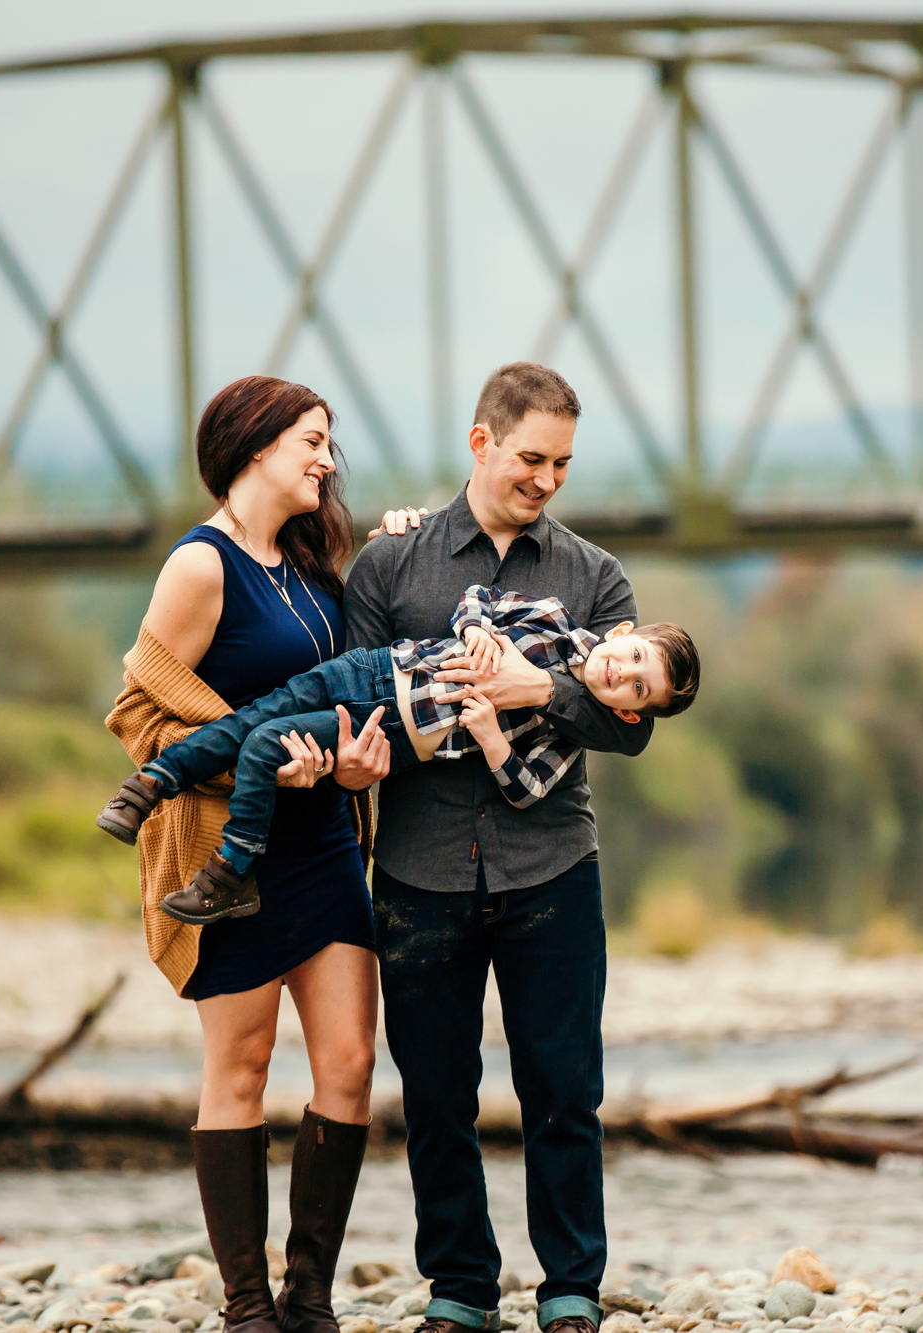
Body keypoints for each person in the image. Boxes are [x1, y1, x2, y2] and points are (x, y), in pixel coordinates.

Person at [344, 361, 649, 1333]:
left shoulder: (595, 576)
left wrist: (538, 693)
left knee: (563, 1089)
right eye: (530, 457)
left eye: (561, 462)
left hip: (554, 866)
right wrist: (362, 756)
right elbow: (354, 699)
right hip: (418, 872)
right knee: (435, 1096)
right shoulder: (390, 564)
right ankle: (461, 1287)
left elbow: (631, 725)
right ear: (480, 443)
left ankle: (570, 1288)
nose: (547, 478)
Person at [104, 376, 394, 1333]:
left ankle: (309, 1295)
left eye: (328, 444)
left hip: (324, 845)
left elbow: (349, 696)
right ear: (255, 446)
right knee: (243, 1062)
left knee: (348, 1062)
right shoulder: (201, 567)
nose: (325, 459)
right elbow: (138, 714)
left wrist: (349, 769)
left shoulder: (313, 565)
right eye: (312, 441)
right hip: (233, 851)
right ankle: (245, 1305)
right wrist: (254, 764)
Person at [96, 585, 700, 924]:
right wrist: (475, 630)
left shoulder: (567, 734)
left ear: (630, 712)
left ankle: (232, 871)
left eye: (637, 690)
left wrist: (492, 738)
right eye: (636, 659)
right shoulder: (551, 618)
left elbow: (526, 789)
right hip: (375, 669)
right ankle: (151, 783)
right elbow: (475, 597)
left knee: (259, 746)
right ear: (624, 635)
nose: (623, 675)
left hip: (384, 729)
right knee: (256, 716)